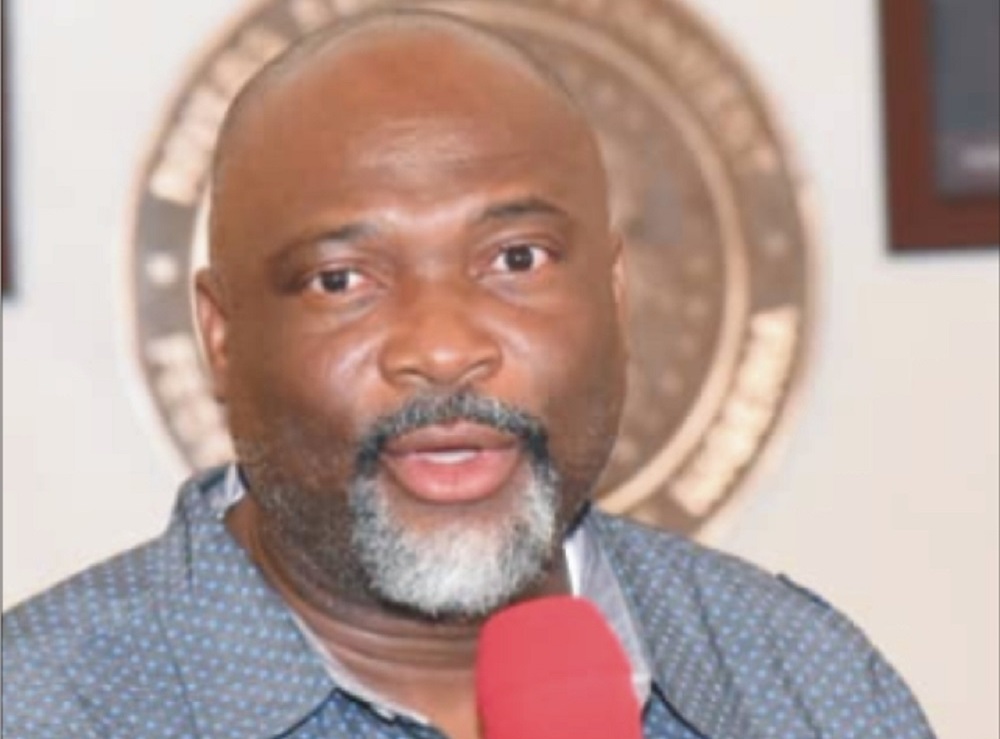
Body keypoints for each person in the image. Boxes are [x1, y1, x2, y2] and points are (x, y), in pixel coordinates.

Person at [2, 10, 936, 739]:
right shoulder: (43, 708)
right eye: (342, 279)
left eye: (517, 259)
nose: (444, 347)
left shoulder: (804, 685)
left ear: (614, 295)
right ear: (221, 333)